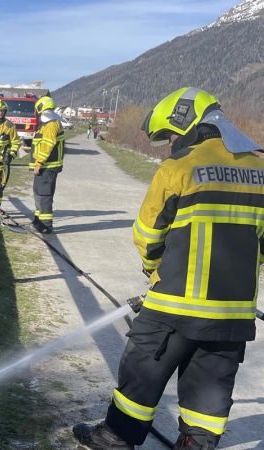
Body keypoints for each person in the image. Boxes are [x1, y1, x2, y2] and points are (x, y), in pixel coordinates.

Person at [72, 87, 264, 450]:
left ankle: (116, 436)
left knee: (142, 367)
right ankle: (195, 444)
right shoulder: (261, 169)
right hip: (233, 313)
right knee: (212, 381)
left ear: (186, 123)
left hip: (174, 305)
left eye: (172, 134)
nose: (171, 142)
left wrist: (153, 270)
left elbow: (147, 234)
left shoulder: (179, 167)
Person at [30, 96, 65, 233]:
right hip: (45, 166)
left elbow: (48, 145)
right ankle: (38, 221)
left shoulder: (51, 124)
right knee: (38, 193)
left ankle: (45, 225)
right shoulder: (48, 123)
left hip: (47, 166)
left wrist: (39, 162)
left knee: (44, 195)